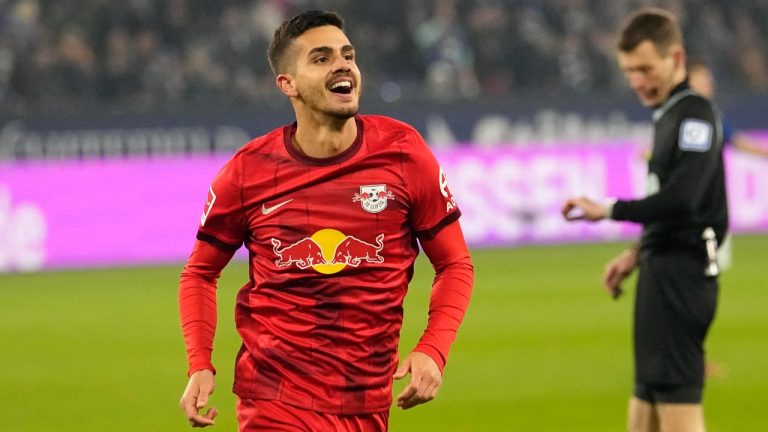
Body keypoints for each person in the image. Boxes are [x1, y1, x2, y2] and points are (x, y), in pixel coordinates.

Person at [177, 10, 474, 431]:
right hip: (275, 400)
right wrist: (199, 364)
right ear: (288, 84)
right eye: (321, 58)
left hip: (367, 401)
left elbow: (455, 263)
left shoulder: (403, 152)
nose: (342, 65)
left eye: (347, 55)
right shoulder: (248, 172)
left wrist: (434, 348)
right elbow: (200, 272)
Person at [561, 8, 727, 432]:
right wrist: (637, 254)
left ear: (676, 58)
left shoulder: (694, 115)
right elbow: (671, 205)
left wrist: (610, 209)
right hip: (662, 268)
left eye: (646, 68)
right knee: (646, 406)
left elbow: (685, 199)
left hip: (683, 275)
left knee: (676, 407)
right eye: (630, 70)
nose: (637, 80)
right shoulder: (670, 112)